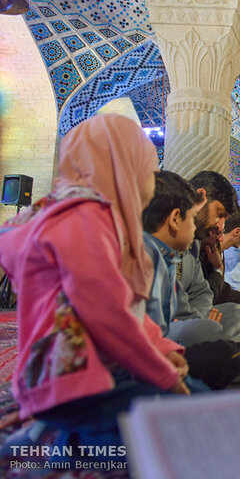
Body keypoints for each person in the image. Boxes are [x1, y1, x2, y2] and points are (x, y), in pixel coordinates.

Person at [0, 114, 187, 460]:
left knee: (192, 402)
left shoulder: (92, 216)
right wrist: (162, 373)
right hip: (72, 385)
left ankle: (55, 437)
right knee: (182, 433)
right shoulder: (86, 218)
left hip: (78, 379)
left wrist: (161, 348)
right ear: (122, 165)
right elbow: (106, 311)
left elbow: (120, 301)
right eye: (148, 168)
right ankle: (61, 449)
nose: (153, 177)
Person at [142, 171, 240, 390]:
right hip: (149, 348)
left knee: (230, 318)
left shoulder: (178, 251)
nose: (219, 228)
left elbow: (199, 293)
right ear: (176, 218)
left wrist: (194, 318)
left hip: (178, 326)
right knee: (212, 340)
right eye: (219, 214)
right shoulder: (144, 253)